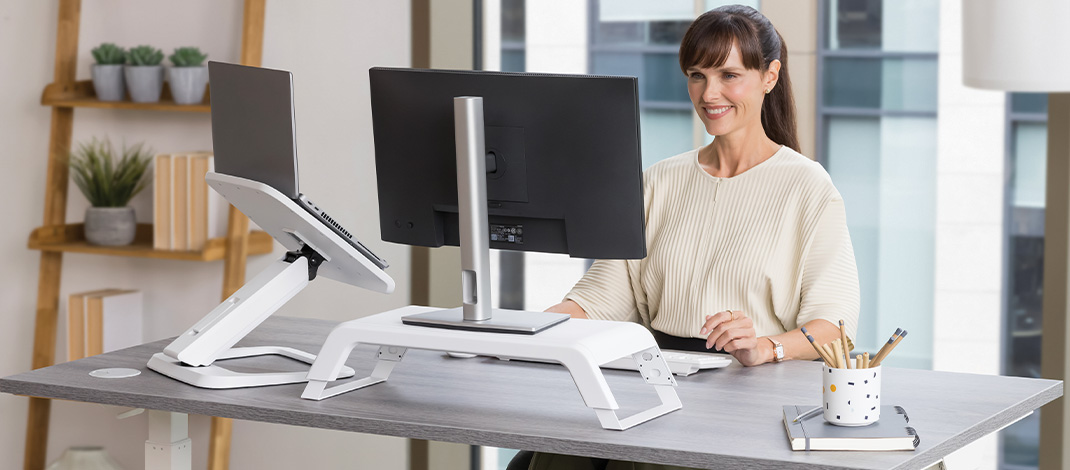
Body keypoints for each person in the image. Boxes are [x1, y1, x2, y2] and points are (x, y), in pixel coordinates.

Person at [527, 5, 860, 470]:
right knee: (553, 454)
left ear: (769, 76)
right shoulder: (658, 180)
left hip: (747, 397)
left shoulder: (808, 187)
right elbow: (599, 300)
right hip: (654, 384)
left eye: (729, 75)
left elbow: (834, 328)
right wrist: (520, 333)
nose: (709, 93)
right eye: (697, 76)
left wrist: (765, 347)